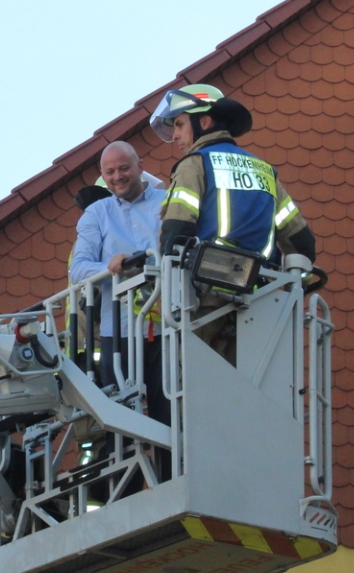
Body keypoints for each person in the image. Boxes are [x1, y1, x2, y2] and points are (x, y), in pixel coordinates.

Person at [150, 84, 318, 364]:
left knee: (200, 390)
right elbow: (303, 244)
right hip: (261, 302)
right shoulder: (265, 171)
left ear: (204, 122)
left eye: (179, 124)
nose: (176, 135)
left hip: (205, 302)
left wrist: (168, 290)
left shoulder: (194, 164)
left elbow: (176, 232)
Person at [69, 142, 165, 388]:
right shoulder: (96, 213)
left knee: (169, 416)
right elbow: (78, 269)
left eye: (124, 168)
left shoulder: (167, 202)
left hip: (169, 325)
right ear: (103, 175)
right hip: (119, 330)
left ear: (140, 167)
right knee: (123, 417)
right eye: (110, 172)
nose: (117, 177)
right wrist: (111, 268)